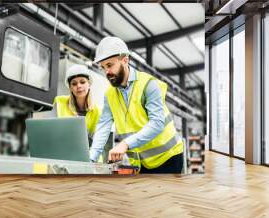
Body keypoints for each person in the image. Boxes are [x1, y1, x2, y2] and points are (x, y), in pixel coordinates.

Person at [89, 36, 184, 174]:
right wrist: (91, 158)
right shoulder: (109, 94)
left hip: (169, 157)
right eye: (103, 67)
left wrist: (125, 144)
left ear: (125, 60)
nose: (107, 72)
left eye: (110, 65)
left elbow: (157, 123)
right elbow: (103, 126)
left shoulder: (148, 84)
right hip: (141, 162)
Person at [53, 64, 101, 143]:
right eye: (74, 84)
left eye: (82, 82)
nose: (78, 86)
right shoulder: (59, 102)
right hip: (62, 148)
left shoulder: (97, 112)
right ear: (70, 88)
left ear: (89, 84)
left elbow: (97, 144)